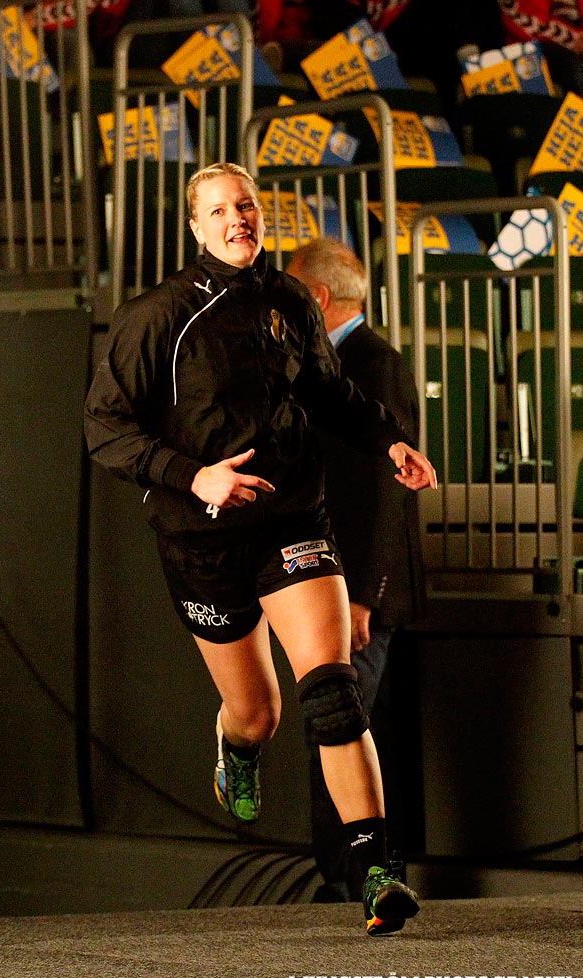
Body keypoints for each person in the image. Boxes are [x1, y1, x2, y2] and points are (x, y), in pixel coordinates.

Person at [84, 162, 436, 935]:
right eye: (220, 211)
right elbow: (105, 431)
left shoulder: (288, 302)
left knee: (333, 690)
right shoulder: (155, 317)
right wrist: (193, 476)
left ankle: (379, 872)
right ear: (196, 227)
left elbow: (328, 392)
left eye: (246, 206)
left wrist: (390, 442)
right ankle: (234, 743)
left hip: (293, 522)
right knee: (261, 714)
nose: (237, 219)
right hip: (201, 542)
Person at [285, 237, 426, 904]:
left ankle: (354, 879)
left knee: (347, 730)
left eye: (290, 291)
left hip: (359, 597)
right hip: (338, 589)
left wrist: (364, 598)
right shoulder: (330, 367)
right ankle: (360, 877)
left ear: (316, 297)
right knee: (351, 730)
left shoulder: (374, 366)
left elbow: (383, 494)